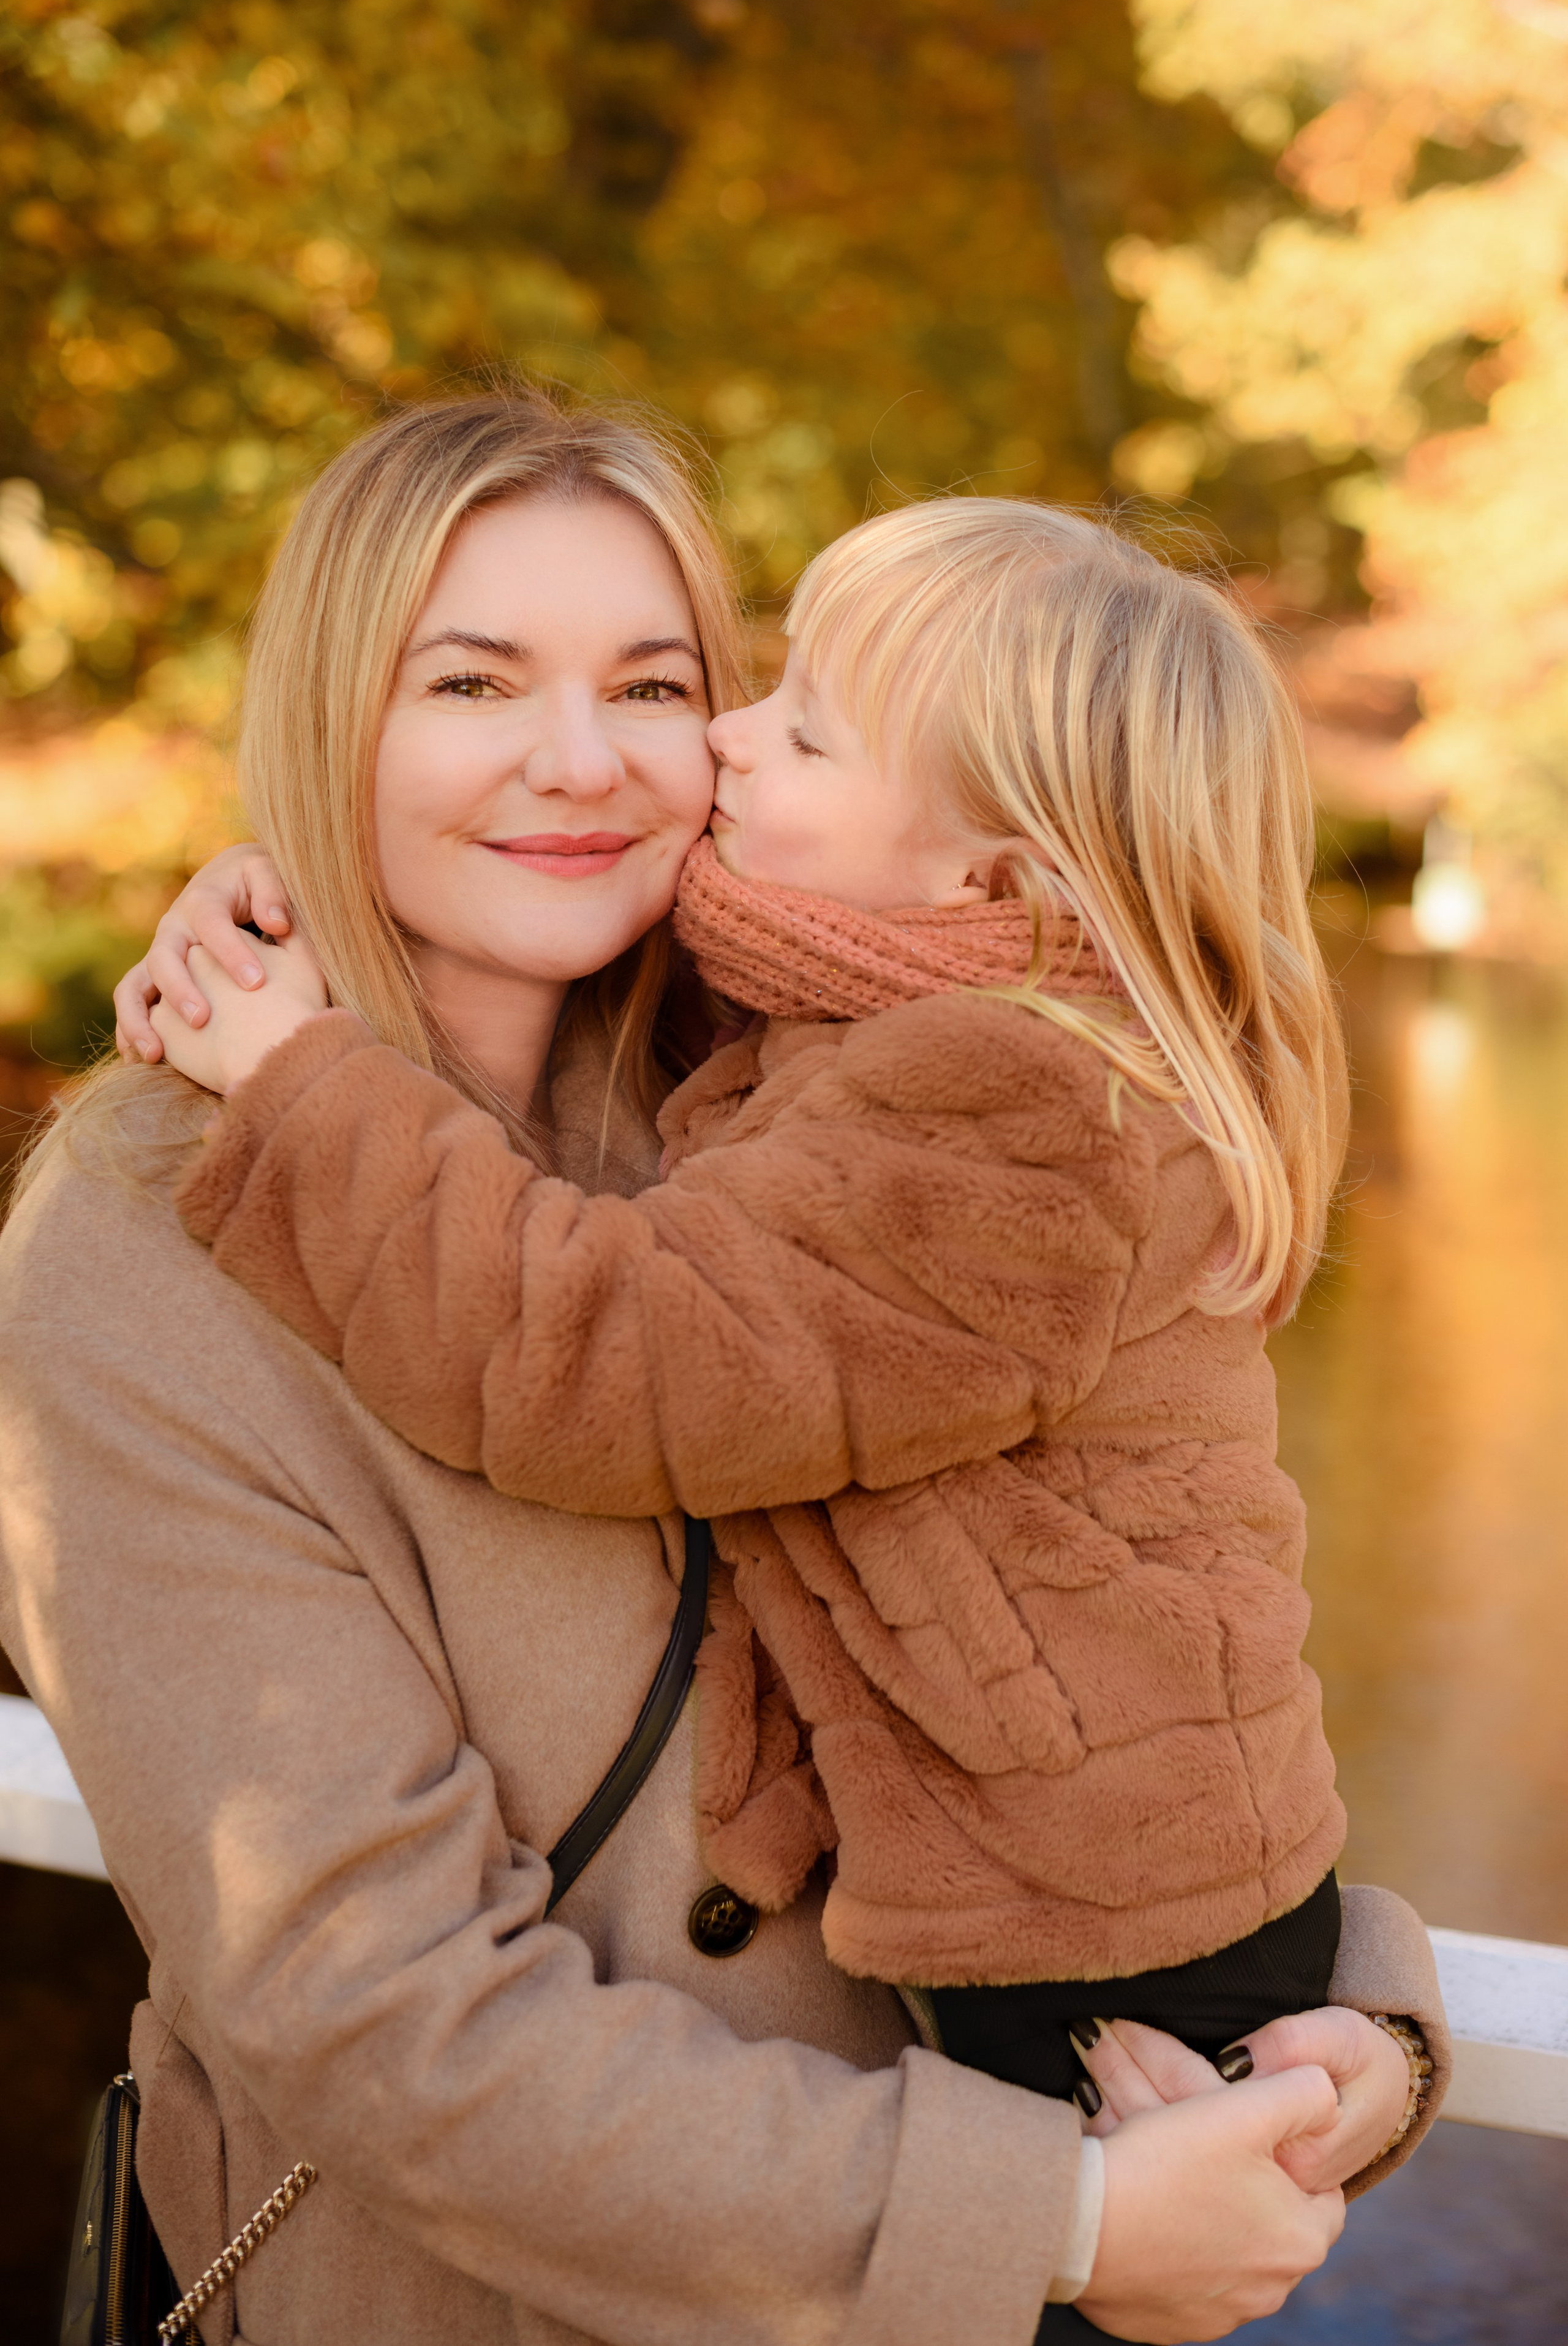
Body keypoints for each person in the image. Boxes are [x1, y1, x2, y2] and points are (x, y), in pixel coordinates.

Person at [7, 387, 1425, 2346]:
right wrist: (1066, 2217)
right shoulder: (134, 1250)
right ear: (334, 712)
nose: (581, 761)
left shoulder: (799, 1088)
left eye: (660, 682)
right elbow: (377, 2013)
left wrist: (1355, 2020)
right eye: (474, 683)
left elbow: (1143, 1596)